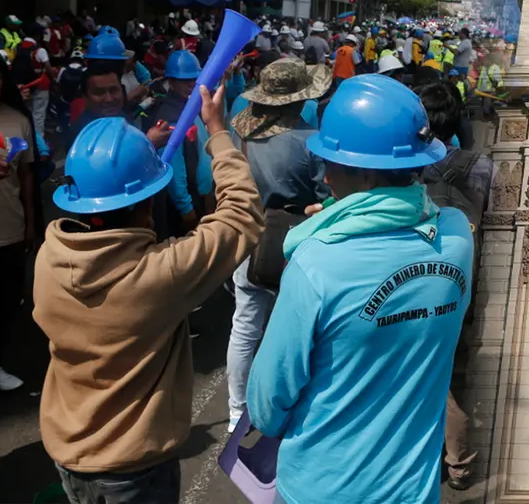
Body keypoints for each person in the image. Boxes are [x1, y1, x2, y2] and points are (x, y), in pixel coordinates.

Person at [247, 74, 474, 504]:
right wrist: (340, 214)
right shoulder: (458, 237)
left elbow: (266, 403)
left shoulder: (317, 263)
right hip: (413, 490)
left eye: (330, 162)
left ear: (365, 173)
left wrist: (331, 221)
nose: (325, 176)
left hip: (321, 487)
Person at [34, 86, 265, 504]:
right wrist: (217, 131)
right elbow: (243, 214)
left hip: (67, 450)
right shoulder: (159, 274)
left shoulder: (50, 255)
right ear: (149, 198)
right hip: (133, 467)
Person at [226, 59, 332, 433]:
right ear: (298, 99)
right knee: (289, 330)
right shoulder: (310, 141)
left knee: (245, 324)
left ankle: (236, 410)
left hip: (246, 233)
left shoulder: (242, 131)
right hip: (293, 239)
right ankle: (280, 410)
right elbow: (324, 195)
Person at [417, 81, 492, 489]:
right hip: (466, 283)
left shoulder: (407, 168)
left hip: (412, 284)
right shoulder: (482, 167)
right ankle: (460, 464)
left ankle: (420, 457)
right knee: (458, 374)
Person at [0, 48, 39, 391]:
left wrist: (31, 224)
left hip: (9, 229)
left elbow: (26, 177)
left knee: (3, 304)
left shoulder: (18, 121)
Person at [144, 50, 211, 236]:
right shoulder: (171, 116)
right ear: (171, 82)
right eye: (184, 80)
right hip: (187, 204)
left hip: (199, 195)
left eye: (194, 78)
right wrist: (186, 208)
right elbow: (173, 168)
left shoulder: (188, 106)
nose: (191, 83)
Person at [12, 22, 54, 138]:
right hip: (40, 86)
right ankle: (39, 143)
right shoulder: (40, 50)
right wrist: (54, 81)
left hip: (24, 87)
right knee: (39, 115)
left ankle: (27, 137)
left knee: (27, 113)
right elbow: (48, 69)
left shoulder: (17, 48)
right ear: (37, 35)